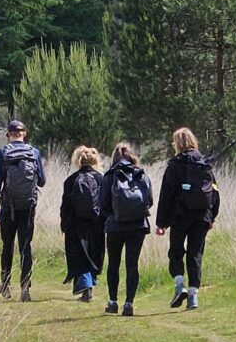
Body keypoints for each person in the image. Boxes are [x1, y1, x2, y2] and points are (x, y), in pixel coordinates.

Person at [155, 125, 220, 310]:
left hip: (179, 216)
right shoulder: (204, 164)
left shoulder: (175, 165)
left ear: (177, 144)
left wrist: (162, 223)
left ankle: (179, 285)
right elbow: (214, 192)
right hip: (202, 217)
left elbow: (166, 194)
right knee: (195, 254)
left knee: (175, 252)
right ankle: (193, 297)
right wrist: (212, 217)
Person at [0, 116, 46, 301]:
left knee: (8, 246)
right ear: (24, 134)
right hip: (28, 207)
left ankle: (5, 285)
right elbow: (42, 181)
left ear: (8, 135)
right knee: (26, 247)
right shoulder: (34, 153)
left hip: (8, 207)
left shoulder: (2, 153)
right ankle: (25, 288)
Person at [100, 141, 153, 317]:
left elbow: (103, 204)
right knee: (132, 264)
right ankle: (129, 303)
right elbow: (149, 201)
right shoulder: (141, 175)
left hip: (115, 226)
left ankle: (113, 301)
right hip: (138, 226)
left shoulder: (109, 176)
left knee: (113, 264)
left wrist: (114, 214)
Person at [59, 145, 105, 304]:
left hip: (76, 224)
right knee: (93, 254)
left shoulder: (70, 180)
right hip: (96, 223)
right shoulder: (101, 179)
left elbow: (65, 205)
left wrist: (64, 224)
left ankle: (86, 288)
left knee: (80, 255)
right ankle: (89, 286)